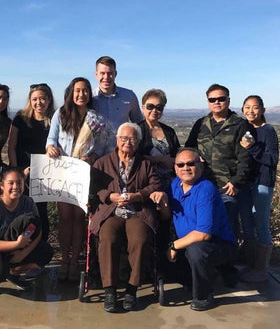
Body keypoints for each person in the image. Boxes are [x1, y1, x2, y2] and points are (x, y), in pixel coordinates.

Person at [151, 148, 238, 311]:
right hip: (186, 241)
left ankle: (203, 296)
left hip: (217, 244)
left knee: (196, 251)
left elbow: (203, 234)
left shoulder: (206, 189)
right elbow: (166, 216)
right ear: (175, 168)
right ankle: (202, 278)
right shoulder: (175, 185)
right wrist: (163, 202)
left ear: (201, 166)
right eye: (181, 164)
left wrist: (174, 245)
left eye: (191, 163)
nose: (186, 168)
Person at [46, 77, 112, 282]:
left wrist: (92, 157)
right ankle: (64, 260)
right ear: (71, 93)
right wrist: (50, 148)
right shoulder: (61, 114)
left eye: (85, 91)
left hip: (85, 174)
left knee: (79, 219)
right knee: (65, 219)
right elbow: (51, 139)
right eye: (77, 91)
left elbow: (103, 147)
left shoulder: (96, 119)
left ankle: (75, 262)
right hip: (63, 172)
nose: (81, 94)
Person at [91, 122, 161, 312]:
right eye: (124, 138)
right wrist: (109, 196)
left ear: (138, 142)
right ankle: (110, 290)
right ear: (117, 140)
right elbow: (93, 188)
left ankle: (132, 289)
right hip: (111, 212)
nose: (127, 142)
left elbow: (155, 185)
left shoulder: (145, 164)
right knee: (107, 238)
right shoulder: (102, 163)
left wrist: (137, 195)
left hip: (137, 212)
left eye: (132, 139)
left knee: (139, 239)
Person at [0, 168, 53, 302]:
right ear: (2, 185)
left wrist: (22, 254)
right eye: (11, 183)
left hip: (11, 248)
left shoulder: (28, 203)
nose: (16, 187)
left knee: (45, 251)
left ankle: (14, 271)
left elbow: (38, 231)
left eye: (19, 183)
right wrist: (17, 244)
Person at [185, 84, 253, 236]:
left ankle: (229, 258)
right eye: (212, 99)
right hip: (201, 184)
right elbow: (188, 148)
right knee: (202, 225)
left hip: (227, 186)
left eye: (221, 99)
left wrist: (236, 182)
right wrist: (195, 156)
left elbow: (246, 157)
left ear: (228, 101)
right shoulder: (201, 123)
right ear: (208, 102)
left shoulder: (240, 125)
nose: (217, 102)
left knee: (227, 225)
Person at [238, 95, 279, 282]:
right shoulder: (244, 129)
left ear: (262, 110)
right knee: (247, 223)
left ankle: (262, 269)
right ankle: (251, 265)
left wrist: (252, 148)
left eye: (255, 107)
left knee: (260, 223)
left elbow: (272, 160)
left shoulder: (268, 130)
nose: (250, 111)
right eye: (247, 107)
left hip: (262, 183)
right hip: (245, 183)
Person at [8, 83, 55, 242]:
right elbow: (12, 147)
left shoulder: (55, 120)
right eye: (35, 99)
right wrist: (18, 172)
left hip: (44, 175)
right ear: (30, 100)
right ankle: (18, 250)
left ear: (49, 99)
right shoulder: (21, 118)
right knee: (19, 212)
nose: (38, 102)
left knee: (40, 213)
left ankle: (39, 249)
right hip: (22, 174)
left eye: (42, 98)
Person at [92, 56, 144, 150]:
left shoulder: (129, 96)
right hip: (95, 155)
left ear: (115, 74)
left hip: (122, 153)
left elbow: (139, 124)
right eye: (102, 73)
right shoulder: (90, 98)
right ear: (96, 74)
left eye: (110, 73)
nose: (106, 77)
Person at [139, 88, 180, 190]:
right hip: (146, 184)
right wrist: (161, 159)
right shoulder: (136, 130)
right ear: (143, 108)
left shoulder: (169, 131)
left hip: (171, 184)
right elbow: (132, 158)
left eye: (159, 107)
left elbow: (177, 153)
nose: (154, 111)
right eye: (150, 106)